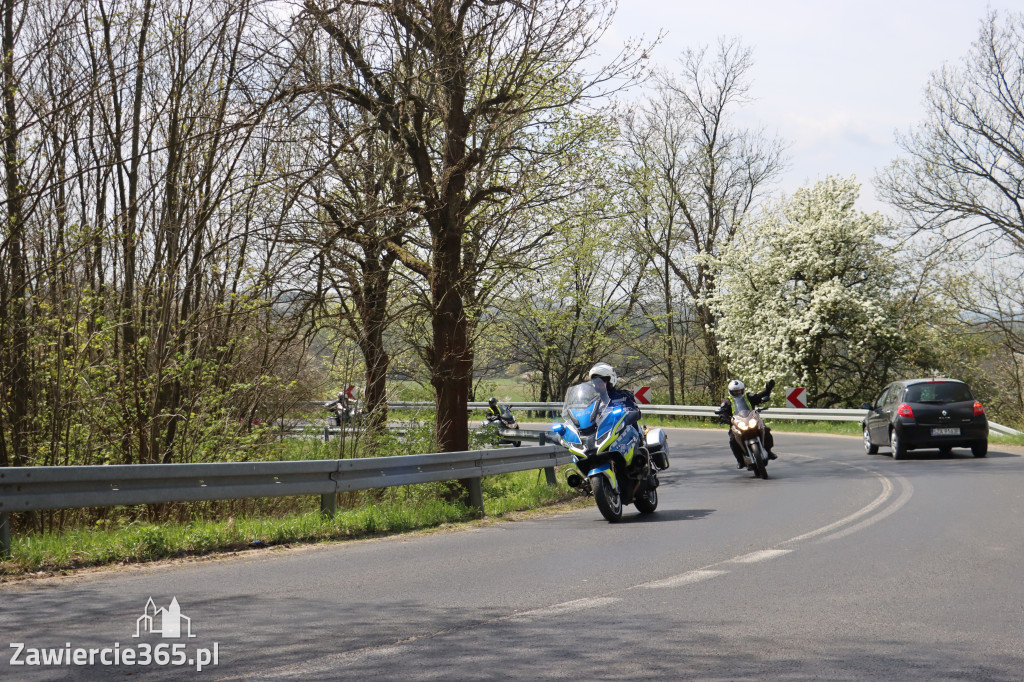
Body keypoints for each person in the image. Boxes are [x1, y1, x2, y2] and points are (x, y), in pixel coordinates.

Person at [718, 379, 777, 468]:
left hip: (750, 419)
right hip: (736, 424)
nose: (737, 393)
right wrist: (723, 417)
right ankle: (740, 460)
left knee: (766, 430)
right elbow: (722, 410)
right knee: (733, 440)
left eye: (739, 390)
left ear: (743, 390)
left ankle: (768, 451)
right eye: (735, 391)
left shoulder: (748, 396)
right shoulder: (727, 401)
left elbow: (759, 397)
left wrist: (768, 389)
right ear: (730, 392)